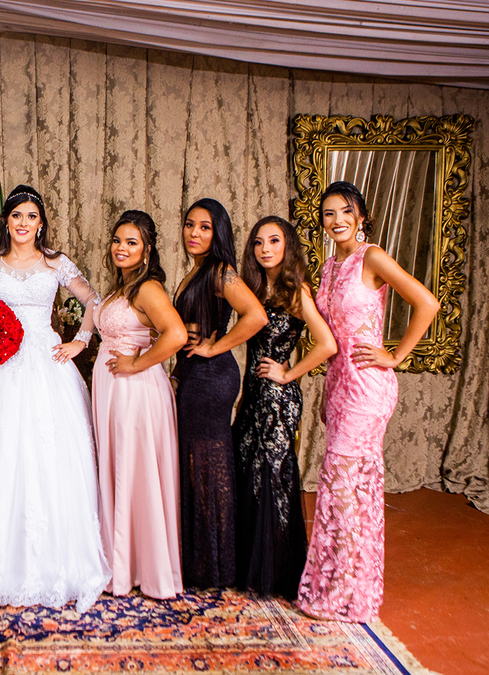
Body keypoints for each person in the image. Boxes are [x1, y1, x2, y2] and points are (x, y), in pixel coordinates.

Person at [0, 184, 111, 613]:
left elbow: (93, 301)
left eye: (31, 216)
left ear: (41, 223)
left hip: (45, 360)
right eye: (16, 215)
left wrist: (81, 341)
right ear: (6, 222)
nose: (23, 223)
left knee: (44, 454)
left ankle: (48, 562)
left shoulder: (55, 262)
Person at [297, 181, 439, 623]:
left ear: (361, 216)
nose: (337, 220)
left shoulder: (371, 257)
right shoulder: (327, 267)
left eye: (345, 211)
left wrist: (395, 356)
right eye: (329, 214)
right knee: (342, 488)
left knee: (344, 488)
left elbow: (427, 303)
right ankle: (339, 584)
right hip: (339, 385)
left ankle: (345, 594)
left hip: (367, 388)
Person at [232, 215, 337, 600]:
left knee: (272, 476)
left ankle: (276, 572)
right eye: (258, 242)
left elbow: (327, 344)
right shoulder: (254, 288)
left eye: (274, 241)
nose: (265, 249)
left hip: (278, 399)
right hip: (252, 394)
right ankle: (247, 566)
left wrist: (288, 374)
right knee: (247, 469)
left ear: (288, 245)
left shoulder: (296, 290)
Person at [91, 210, 187, 599]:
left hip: (136, 391)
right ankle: (123, 565)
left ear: (147, 250)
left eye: (131, 242)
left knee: (135, 471)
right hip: (115, 390)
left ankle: (143, 570)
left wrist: (135, 363)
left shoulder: (148, 288)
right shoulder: (123, 287)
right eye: (117, 240)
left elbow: (176, 334)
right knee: (121, 469)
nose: (121, 248)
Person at [173, 198, 268, 589]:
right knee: (197, 466)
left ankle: (216, 565)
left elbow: (256, 316)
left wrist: (215, 347)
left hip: (211, 379)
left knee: (209, 468)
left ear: (218, 233)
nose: (194, 233)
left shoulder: (219, 271)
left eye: (205, 227)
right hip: (194, 375)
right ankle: (201, 560)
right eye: (189, 224)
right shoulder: (197, 270)